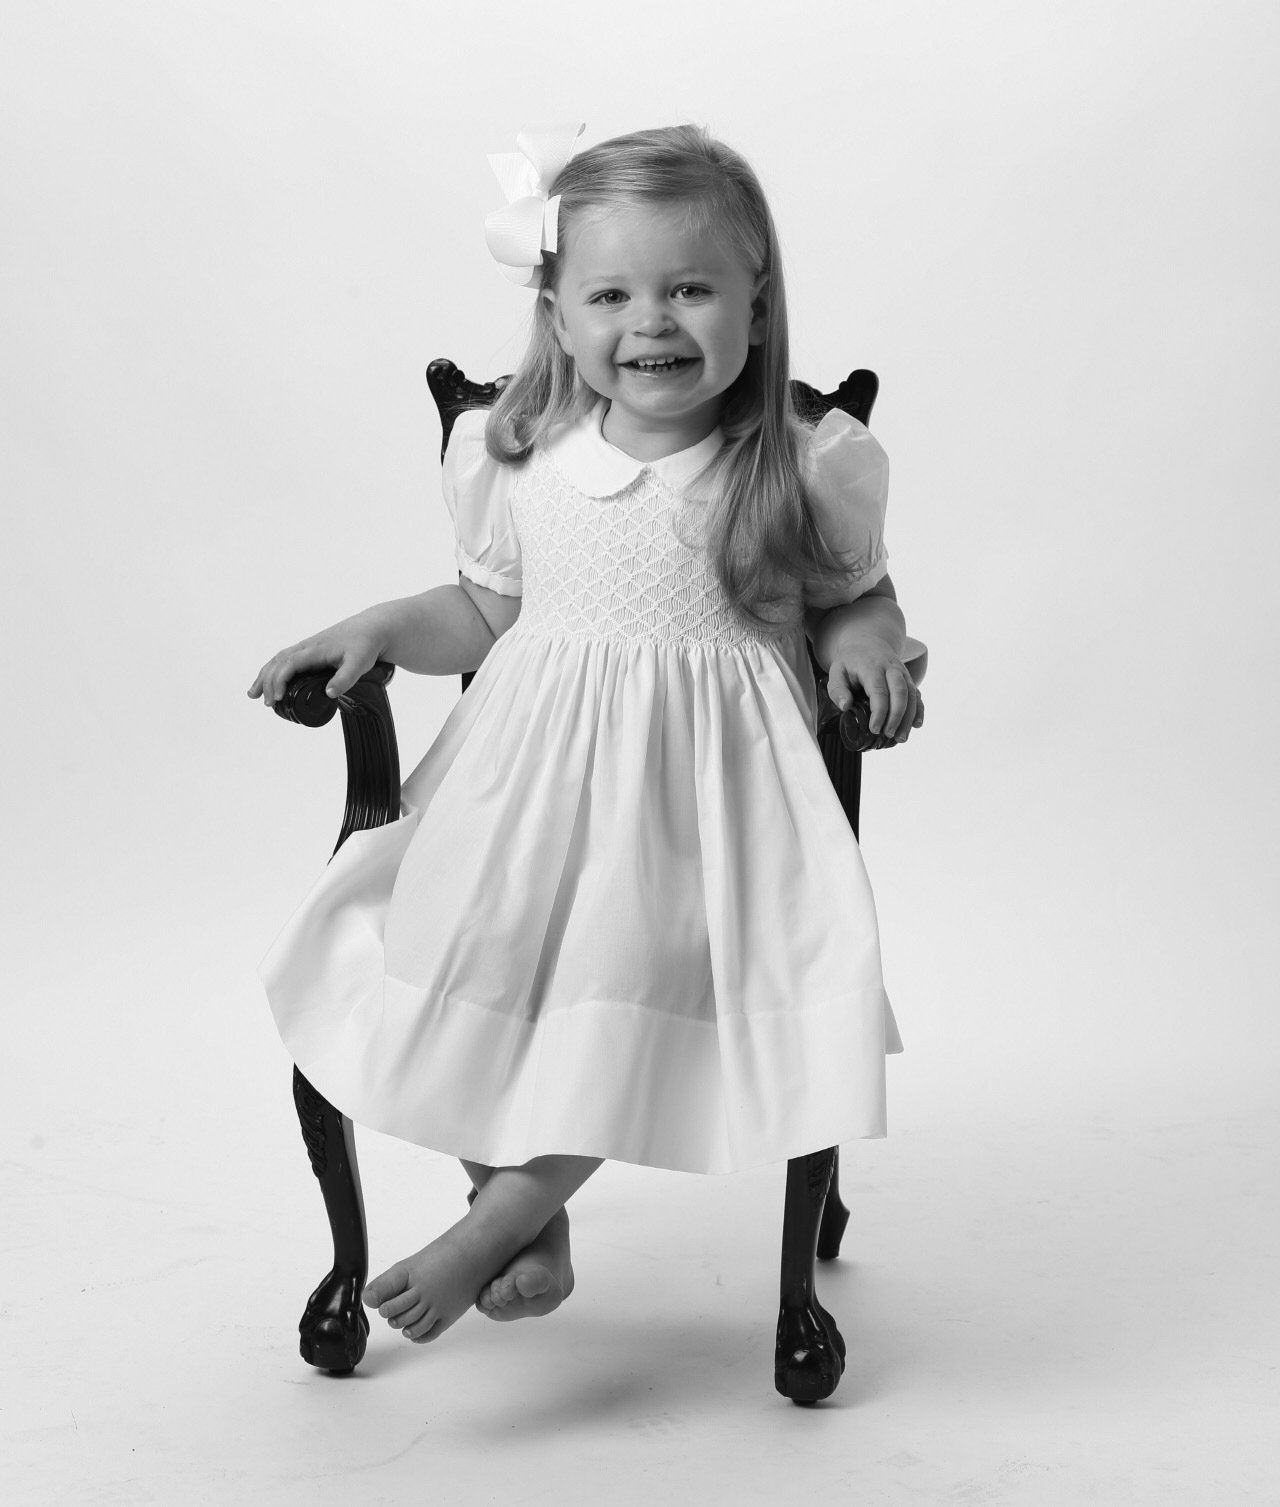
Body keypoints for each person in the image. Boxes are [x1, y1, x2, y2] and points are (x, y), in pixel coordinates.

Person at [249, 123, 923, 1349]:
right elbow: (483, 610)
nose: (651, 321)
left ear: (754, 305)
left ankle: (494, 1220)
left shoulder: (794, 465)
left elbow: (851, 596)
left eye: (689, 288)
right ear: (555, 316)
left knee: (634, 986)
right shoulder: (519, 455)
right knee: (430, 953)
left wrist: (869, 638)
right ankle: (518, 1209)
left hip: (705, 821)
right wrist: (380, 628)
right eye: (610, 292)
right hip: (523, 792)